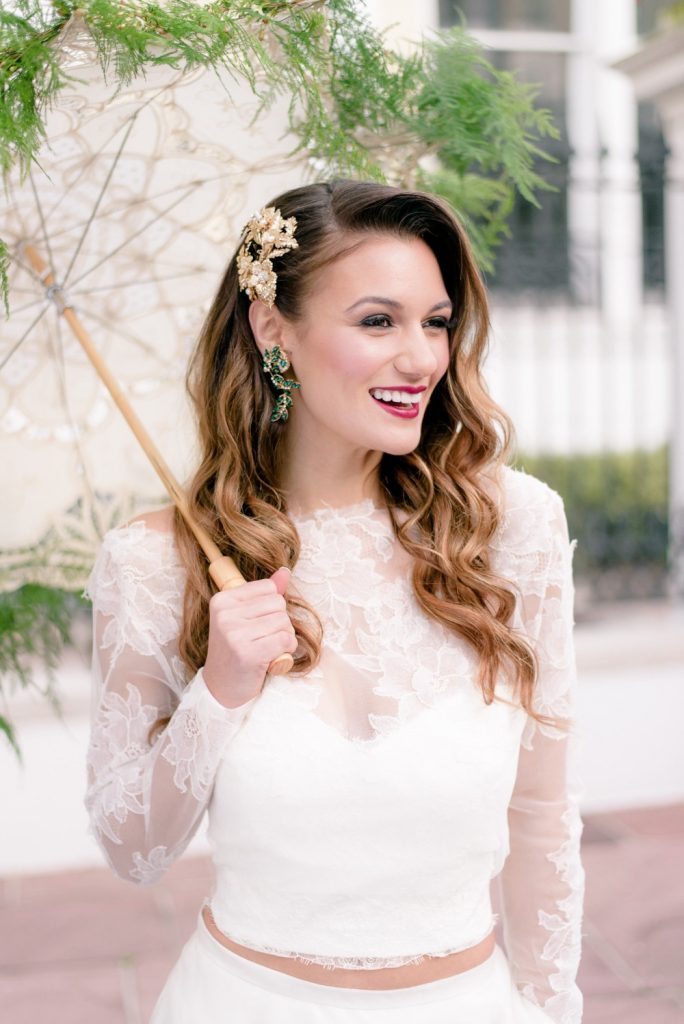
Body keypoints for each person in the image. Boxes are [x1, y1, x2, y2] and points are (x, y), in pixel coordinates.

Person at [84, 179, 585, 1023]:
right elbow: (132, 849)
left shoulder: (510, 531)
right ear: (272, 326)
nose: (423, 358)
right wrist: (219, 690)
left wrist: (551, 1008)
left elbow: (543, 820)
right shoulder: (154, 563)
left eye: (436, 321)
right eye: (378, 321)